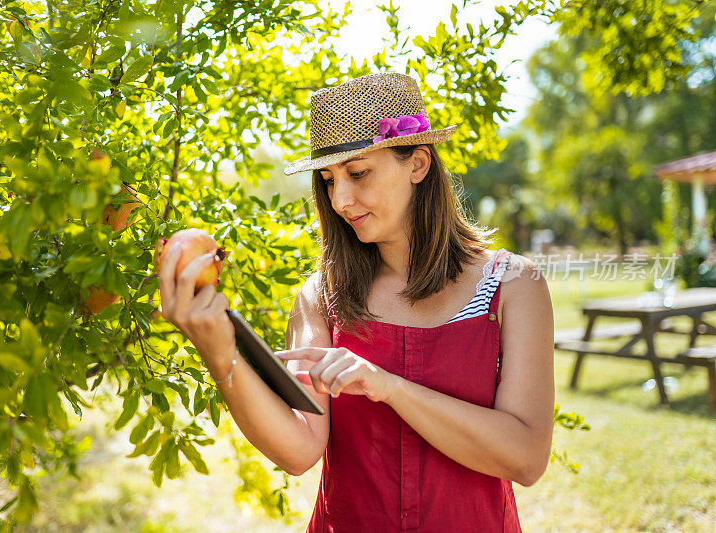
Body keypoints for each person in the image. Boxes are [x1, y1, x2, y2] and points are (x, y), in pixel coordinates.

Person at [158, 72, 555, 532]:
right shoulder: (321, 295)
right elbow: (299, 450)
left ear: (418, 164)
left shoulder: (513, 284)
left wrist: (389, 387)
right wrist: (219, 352)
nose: (342, 200)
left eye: (359, 173)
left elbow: (526, 459)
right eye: (328, 180)